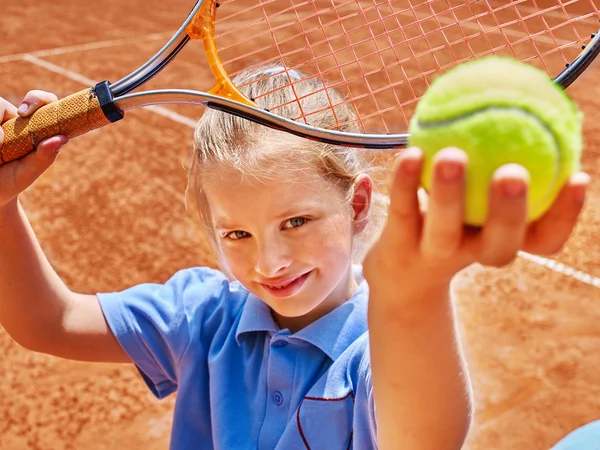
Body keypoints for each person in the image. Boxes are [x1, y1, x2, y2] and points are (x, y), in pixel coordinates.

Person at [0, 63, 589, 449]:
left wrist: (412, 296)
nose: (271, 262)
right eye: (236, 235)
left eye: (297, 221)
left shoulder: (377, 353)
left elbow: (426, 439)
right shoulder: (204, 316)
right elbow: (46, 322)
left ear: (358, 206)